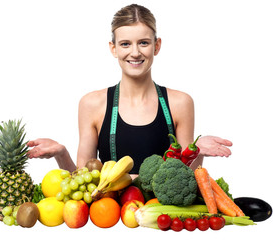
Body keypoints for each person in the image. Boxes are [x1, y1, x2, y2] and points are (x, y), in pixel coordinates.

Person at [26, 4, 232, 178]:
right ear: (113, 48)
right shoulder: (92, 104)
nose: (135, 52)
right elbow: (83, 181)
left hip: (161, 222)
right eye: (125, 44)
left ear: (156, 46)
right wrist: (61, 154)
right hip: (109, 221)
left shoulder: (180, 103)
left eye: (143, 42)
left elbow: (188, 179)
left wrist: (198, 152)